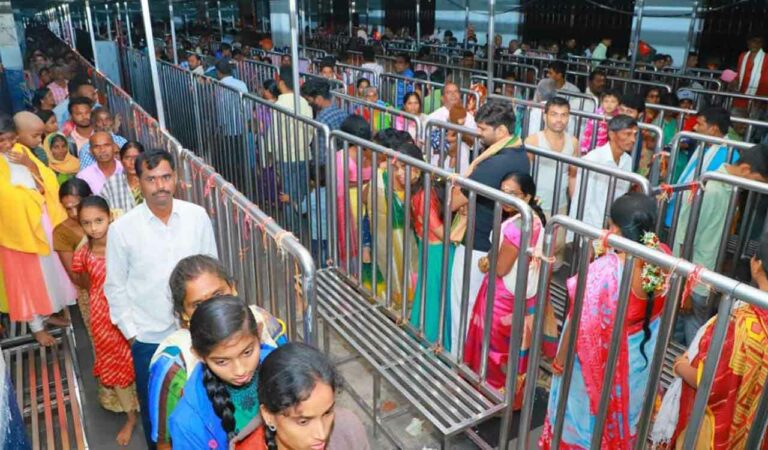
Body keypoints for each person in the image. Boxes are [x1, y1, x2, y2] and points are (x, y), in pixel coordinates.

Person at [105, 149, 218, 449]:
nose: (160, 186)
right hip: (149, 338)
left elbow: (211, 269)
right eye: (151, 179)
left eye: (166, 177)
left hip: (198, 333)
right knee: (157, 413)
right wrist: (133, 335)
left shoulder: (197, 216)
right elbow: (114, 286)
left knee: (204, 403)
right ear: (139, 182)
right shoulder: (122, 230)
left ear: (176, 178)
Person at [540, 193, 671, 449]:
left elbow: (578, 322)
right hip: (638, 361)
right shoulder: (663, 255)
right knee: (624, 419)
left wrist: (560, 361)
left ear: (616, 228)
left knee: (585, 421)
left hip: (598, 362)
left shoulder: (606, 271)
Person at [149, 256, 286, 448]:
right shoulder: (174, 366)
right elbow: (165, 442)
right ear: (183, 314)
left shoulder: (265, 327)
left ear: (233, 288)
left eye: (219, 295)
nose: (240, 370)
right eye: (197, 305)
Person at [652, 236, 768, 450]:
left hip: (714, 433)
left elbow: (708, 380)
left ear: (757, 264)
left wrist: (679, 366)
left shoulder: (737, 320)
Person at [464, 172, 557, 404]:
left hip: (502, 297)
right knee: (514, 346)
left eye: (512, 193)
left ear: (527, 196)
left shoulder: (518, 226)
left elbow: (501, 268)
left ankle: (489, 398)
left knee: (494, 349)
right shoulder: (535, 219)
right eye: (502, 191)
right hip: (523, 295)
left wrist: (487, 262)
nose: (505, 197)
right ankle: (510, 398)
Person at [448, 99, 530, 355]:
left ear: (501, 131)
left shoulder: (494, 163)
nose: (479, 134)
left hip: (478, 243)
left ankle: (461, 361)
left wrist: (458, 189)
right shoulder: (519, 153)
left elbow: (454, 202)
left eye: (483, 129)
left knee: (465, 305)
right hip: (496, 240)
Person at [673, 145, 768, 345]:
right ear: (745, 170)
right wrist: (684, 288)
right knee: (696, 332)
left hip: (704, 276)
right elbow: (684, 238)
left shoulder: (729, 188)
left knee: (683, 326)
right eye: (759, 181)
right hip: (694, 280)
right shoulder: (712, 190)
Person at [0, 116, 75, 347]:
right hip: (15, 232)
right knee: (26, 278)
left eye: (11, 139)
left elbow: (46, 183)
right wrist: (24, 196)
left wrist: (28, 164)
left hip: (40, 221)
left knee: (47, 272)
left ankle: (47, 312)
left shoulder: (23, 150)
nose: (8, 145)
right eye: (2, 140)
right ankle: (37, 328)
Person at [168, 295, 281, 448]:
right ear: (199, 356)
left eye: (247, 352)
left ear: (259, 334)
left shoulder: (286, 370)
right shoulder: (187, 422)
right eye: (222, 361)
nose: (240, 370)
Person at [71, 196, 139, 446]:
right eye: (86, 223)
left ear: (110, 217)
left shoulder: (125, 242)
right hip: (104, 320)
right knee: (115, 369)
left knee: (141, 362)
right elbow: (80, 279)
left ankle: (151, 406)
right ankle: (130, 418)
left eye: (99, 220)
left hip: (135, 313)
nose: (93, 228)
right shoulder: (84, 252)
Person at [254, 342, 369, 449]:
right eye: (303, 422)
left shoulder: (349, 430)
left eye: (327, 413)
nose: (322, 434)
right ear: (268, 416)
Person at [364, 142, 420, 309]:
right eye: (396, 167)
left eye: (403, 167)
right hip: (390, 236)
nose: (399, 173)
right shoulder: (381, 177)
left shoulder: (420, 188)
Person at [524, 96, 578, 261]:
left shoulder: (573, 142)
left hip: (561, 205)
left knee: (557, 248)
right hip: (537, 205)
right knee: (534, 251)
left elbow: (573, 175)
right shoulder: (533, 140)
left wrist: (574, 206)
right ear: (544, 115)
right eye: (554, 114)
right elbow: (523, 173)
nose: (559, 119)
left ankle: (547, 285)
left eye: (564, 115)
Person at [664, 107, 733, 227]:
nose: (695, 128)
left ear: (713, 129)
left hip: (696, 221)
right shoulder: (705, 147)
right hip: (679, 211)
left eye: (699, 124)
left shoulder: (729, 156)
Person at [568, 115, 636, 235]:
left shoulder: (627, 160)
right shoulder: (593, 160)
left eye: (635, 134)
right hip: (587, 229)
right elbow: (584, 202)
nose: (633, 139)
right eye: (627, 134)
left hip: (611, 228)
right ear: (612, 134)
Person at [335, 115, 373, 266]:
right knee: (349, 240)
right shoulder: (341, 157)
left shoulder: (367, 153)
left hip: (364, 203)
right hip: (348, 204)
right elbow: (340, 187)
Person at [274, 65, 313, 213]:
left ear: (281, 82)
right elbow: (310, 130)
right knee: (301, 193)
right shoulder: (303, 102)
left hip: (286, 156)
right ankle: (302, 225)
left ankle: (289, 230)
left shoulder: (279, 104)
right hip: (304, 154)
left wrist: (272, 151)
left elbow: (275, 134)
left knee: (287, 194)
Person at [304, 79, 348, 160]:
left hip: (326, 166)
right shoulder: (343, 113)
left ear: (319, 99)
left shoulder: (321, 121)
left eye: (309, 100)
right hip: (341, 161)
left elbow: (320, 155)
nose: (308, 104)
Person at [101, 141, 145, 218]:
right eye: (127, 158)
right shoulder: (112, 183)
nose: (132, 162)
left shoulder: (152, 181)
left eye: (136, 158)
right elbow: (102, 209)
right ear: (121, 161)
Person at [580, 89, 621, 154]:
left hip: (609, 151)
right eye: (606, 101)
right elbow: (587, 133)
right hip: (593, 148)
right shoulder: (596, 115)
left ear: (618, 105)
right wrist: (584, 149)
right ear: (601, 103)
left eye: (613, 101)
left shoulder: (619, 118)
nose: (609, 104)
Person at [735, 35, 768, 105]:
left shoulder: (766, 58)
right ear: (748, 42)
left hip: (759, 99)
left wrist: (760, 99)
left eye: (759, 42)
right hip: (741, 95)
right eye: (754, 41)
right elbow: (738, 74)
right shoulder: (742, 56)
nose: (756, 44)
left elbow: (765, 82)